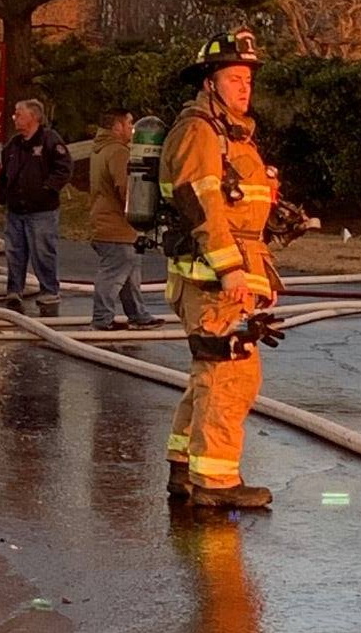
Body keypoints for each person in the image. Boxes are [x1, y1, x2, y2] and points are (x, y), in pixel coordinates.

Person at [160, 30, 281, 510]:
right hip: (211, 277)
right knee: (231, 375)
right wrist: (231, 270)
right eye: (234, 78)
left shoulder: (231, 135)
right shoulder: (200, 133)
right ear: (210, 83)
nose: (244, 87)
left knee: (210, 374)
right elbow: (203, 205)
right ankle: (216, 481)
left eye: (248, 78)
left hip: (225, 271)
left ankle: (185, 467)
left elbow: (238, 203)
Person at [89, 107, 164, 332]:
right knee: (114, 275)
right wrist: (141, 209)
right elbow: (126, 187)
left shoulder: (99, 150)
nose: (132, 129)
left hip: (107, 224)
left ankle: (138, 315)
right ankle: (102, 318)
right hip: (117, 227)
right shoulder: (118, 152)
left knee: (130, 274)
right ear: (117, 126)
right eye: (129, 123)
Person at [0, 98, 72, 316]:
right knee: (15, 253)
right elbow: (4, 173)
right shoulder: (13, 145)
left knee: (43, 252)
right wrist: (3, 197)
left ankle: (49, 290)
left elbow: (64, 168)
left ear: (34, 117)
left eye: (19, 113)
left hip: (42, 212)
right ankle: (14, 290)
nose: (14, 117)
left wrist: (47, 189)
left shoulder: (49, 140)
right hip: (16, 211)